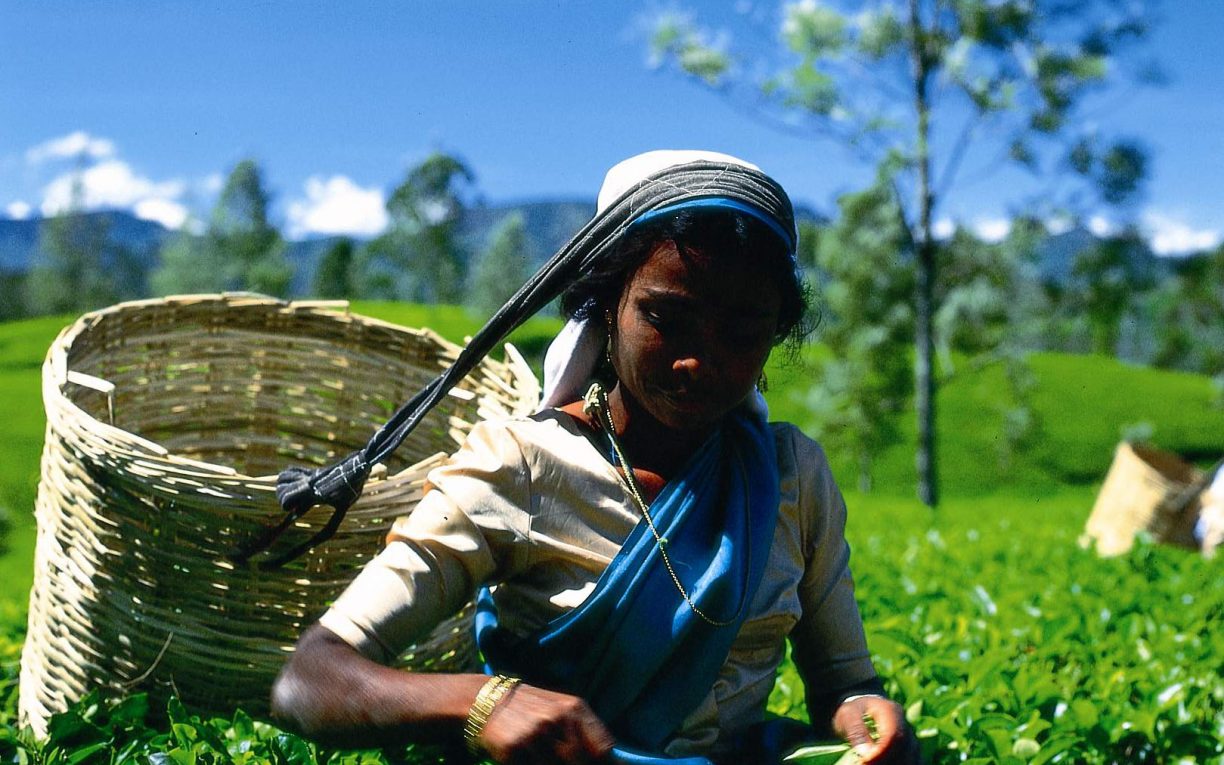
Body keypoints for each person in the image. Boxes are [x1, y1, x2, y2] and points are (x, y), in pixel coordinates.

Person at [271, 150, 917, 764]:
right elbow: (311, 677)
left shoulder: (790, 477)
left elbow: (844, 681)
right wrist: (482, 701)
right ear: (606, 305)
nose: (698, 361)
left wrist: (867, 715)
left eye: (744, 332)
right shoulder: (522, 467)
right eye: (666, 318)